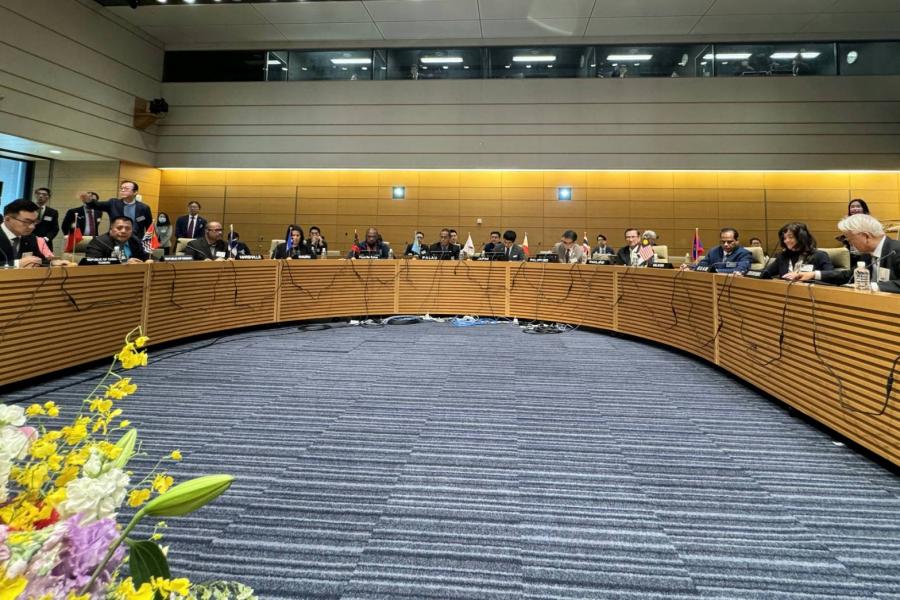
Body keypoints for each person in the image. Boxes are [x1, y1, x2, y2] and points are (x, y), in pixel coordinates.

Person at [792, 214, 900, 292]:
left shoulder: (896, 250)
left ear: (866, 236)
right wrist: (814, 274)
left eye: (850, 239)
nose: (850, 244)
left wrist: (872, 286)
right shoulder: (866, 254)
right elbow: (850, 275)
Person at [763, 222, 833, 281]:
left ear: (801, 238)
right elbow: (765, 272)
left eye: (790, 237)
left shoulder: (820, 255)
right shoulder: (783, 256)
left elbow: (832, 276)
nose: (786, 241)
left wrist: (813, 274)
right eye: (784, 238)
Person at [87, 180, 153, 237]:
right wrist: (88, 200)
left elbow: (149, 227)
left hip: (136, 241)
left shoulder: (144, 208)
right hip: (116, 239)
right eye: (121, 188)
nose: (123, 190)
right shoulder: (113, 203)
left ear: (135, 192)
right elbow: (96, 205)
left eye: (126, 189)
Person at [0, 199, 55, 268]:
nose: (32, 227)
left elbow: (39, 260)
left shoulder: (31, 238)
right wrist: (16, 264)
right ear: (7, 219)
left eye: (34, 222)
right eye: (27, 222)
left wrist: (53, 263)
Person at [84, 216, 150, 264]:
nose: (123, 231)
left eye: (127, 228)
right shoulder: (99, 242)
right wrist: (123, 262)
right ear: (111, 229)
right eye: (119, 228)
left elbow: (148, 256)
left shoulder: (135, 241)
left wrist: (149, 260)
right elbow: (91, 262)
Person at [685, 227, 752, 274]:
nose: (725, 244)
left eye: (729, 242)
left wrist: (716, 271)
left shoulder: (744, 253)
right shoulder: (713, 251)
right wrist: (690, 267)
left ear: (737, 241)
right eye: (723, 242)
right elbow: (702, 265)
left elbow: (741, 270)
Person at [32, 187, 59, 252]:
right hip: (29, 241)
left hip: (45, 242)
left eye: (44, 194)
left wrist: (47, 238)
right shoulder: (28, 209)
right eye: (38, 193)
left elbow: (55, 228)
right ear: (35, 195)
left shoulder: (52, 212)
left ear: (48, 197)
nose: (40, 196)